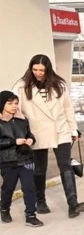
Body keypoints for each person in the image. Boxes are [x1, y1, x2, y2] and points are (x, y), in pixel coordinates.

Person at [13, 55, 84, 219]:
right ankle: (40, 201)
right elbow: (16, 110)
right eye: (35, 69)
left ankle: (73, 204)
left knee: (65, 165)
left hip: (60, 129)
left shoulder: (59, 84)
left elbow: (68, 108)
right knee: (40, 168)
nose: (38, 73)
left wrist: (73, 129)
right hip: (36, 131)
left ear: (48, 69)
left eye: (42, 70)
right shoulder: (21, 86)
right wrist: (21, 132)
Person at [0, 91, 43, 227]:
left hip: (26, 159)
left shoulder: (22, 120)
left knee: (29, 187)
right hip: (8, 161)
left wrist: (31, 140)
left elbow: (29, 134)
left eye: (16, 103)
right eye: (10, 103)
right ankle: (4, 209)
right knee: (8, 189)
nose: (14, 106)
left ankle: (31, 215)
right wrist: (14, 142)